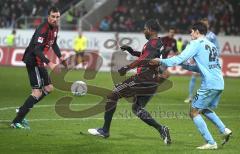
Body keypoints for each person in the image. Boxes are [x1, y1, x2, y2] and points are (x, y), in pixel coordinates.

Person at [149, 22, 232, 149]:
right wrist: (183, 65)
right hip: (219, 82)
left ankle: (211, 143)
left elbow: (178, 58)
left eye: (192, 31)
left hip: (209, 84)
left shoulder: (196, 43)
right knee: (202, 108)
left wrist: (160, 60)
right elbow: (202, 68)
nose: (190, 33)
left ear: (197, 32)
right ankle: (224, 129)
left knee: (193, 112)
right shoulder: (212, 45)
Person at [88, 19, 171, 145]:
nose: (144, 31)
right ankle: (161, 129)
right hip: (152, 82)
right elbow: (146, 56)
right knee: (137, 108)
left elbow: (143, 59)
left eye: (144, 29)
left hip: (142, 79)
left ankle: (105, 130)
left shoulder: (152, 43)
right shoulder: (158, 42)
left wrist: (127, 67)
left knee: (112, 95)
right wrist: (132, 51)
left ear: (150, 29)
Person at [11, 6, 67, 129]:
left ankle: (22, 110)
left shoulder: (56, 28)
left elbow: (54, 43)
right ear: (48, 17)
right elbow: (35, 49)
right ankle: (16, 121)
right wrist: (50, 63)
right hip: (32, 60)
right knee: (37, 92)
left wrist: (60, 56)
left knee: (49, 88)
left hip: (39, 61)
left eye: (57, 17)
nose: (55, 19)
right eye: (53, 16)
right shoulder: (43, 29)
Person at [184, 18, 220, 103]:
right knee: (193, 77)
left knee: (206, 79)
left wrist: (215, 57)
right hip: (198, 59)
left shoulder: (212, 35)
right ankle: (190, 96)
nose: (205, 25)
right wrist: (192, 57)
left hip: (208, 61)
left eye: (206, 24)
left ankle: (204, 97)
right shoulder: (197, 34)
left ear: (208, 25)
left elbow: (217, 47)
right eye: (203, 23)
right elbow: (193, 46)